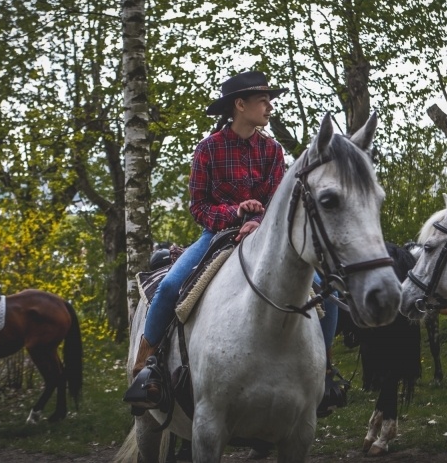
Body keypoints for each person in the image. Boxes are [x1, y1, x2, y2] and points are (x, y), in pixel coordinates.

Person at [123, 71, 346, 415]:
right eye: (263, 100)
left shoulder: (273, 150)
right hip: (216, 235)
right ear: (240, 106)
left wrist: (257, 220)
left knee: (326, 292)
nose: (270, 106)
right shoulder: (208, 149)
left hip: (265, 238)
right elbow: (199, 207)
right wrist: (234, 213)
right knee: (168, 287)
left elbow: (278, 202)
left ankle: (325, 370)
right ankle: (146, 368)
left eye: (270, 100)